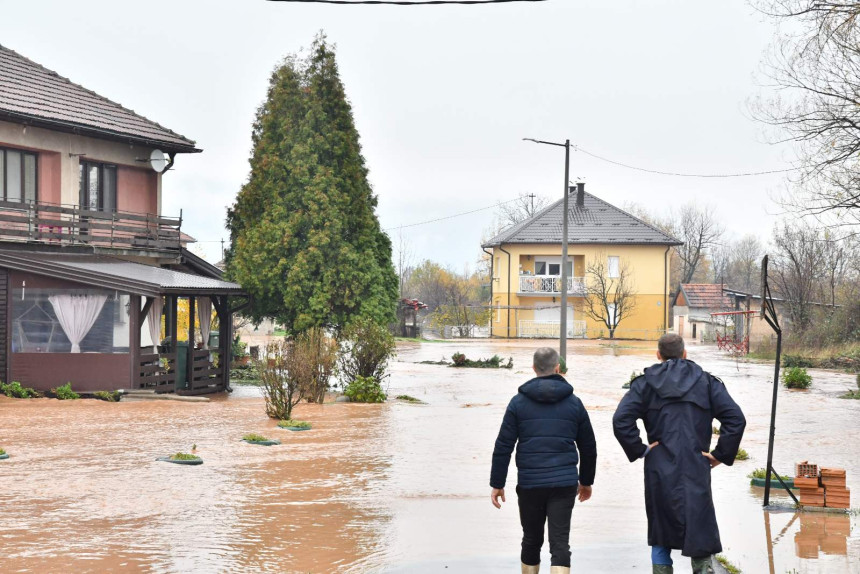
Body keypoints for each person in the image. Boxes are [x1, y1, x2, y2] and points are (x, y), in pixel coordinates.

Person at [612, 333, 746, 574]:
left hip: (658, 467)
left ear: (658, 355)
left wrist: (641, 449)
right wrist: (719, 454)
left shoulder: (644, 385)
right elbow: (735, 419)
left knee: (660, 528)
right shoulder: (706, 383)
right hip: (696, 465)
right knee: (700, 525)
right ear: (685, 354)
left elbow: (621, 420)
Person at [490, 347, 597, 574]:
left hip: (530, 483)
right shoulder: (574, 403)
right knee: (559, 542)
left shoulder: (517, 403)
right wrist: (586, 481)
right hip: (564, 483)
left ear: (533, 368)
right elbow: (588, 446)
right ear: (558, 368)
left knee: (531, 539)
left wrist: (497, 484)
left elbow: (503, 447)